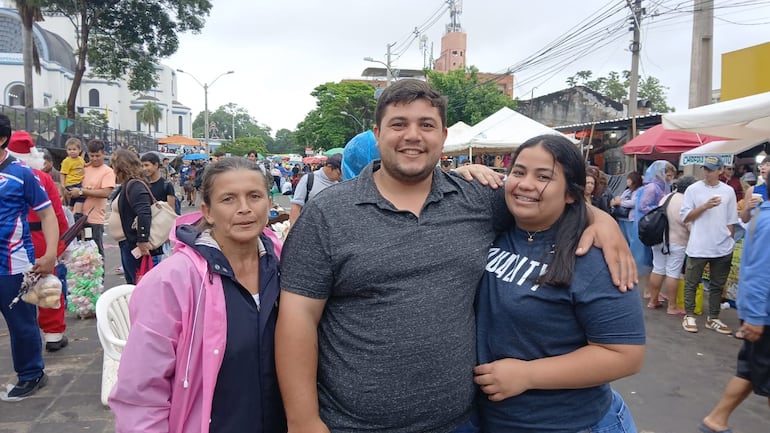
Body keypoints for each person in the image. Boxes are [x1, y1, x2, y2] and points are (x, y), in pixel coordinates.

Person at [275, 79, 636, 433]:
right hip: (353, 423)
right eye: (398, 124)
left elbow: (541, 200)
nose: (413, 135)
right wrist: (303, 420)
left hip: (461, 421)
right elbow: (298, 317)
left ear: (443, 136)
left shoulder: (477, 199)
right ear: (377, 133)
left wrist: (598, 218)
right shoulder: (328, 213)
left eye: (426, 125)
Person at [474, 134, 645, 432]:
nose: (525, 184)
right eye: (518, 172)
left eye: (544, 177)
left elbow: (625, 355)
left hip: (571, 424)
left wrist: (528, 374)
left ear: (570, 193)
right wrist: (464, 172)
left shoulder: (591, 254)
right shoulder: (495, 228)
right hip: (495, 421)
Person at [109, 158, 286, 433]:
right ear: (208, 211)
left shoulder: (285, 268)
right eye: (228, 199)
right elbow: (141, 393)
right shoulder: (172, 282)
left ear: (269, 203)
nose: (245, 208)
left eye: (255, 196)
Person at [699, 197, 770, 433]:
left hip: (758, 312)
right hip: (763, 314)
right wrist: (756, 317)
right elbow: (761, 273)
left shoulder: (762, 213)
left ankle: (716, 420)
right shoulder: (768, 219)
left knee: (749, 370)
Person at [0, 117, 59, 401]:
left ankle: (31, 373)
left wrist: (50, 253)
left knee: (21, 324)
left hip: (13, 264)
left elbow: (48, 213)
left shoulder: (22, 174)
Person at [6, 132, 71, 352]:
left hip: (12, 243)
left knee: (17, 286)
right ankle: (53, 335)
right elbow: (57, 215)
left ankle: (27, 331)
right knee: (47, 284)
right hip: (43, 238)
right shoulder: (41, 178)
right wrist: (60, 243)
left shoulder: (8, 174)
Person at [680, 156, 739, 334]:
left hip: (722, 246)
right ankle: (689, 314)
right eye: (705, 169)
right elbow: (685, 217)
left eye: (711, 169)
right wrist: (704, 206)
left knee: (717, 285)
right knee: (692, 281)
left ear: (720, 170)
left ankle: (713, 317)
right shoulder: (693, 189)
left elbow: (731, 220)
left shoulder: (728, 191)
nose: (707, 172)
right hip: (699, 244)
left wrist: (729, 237)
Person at [645, 176, 696, 315]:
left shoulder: (667, 197)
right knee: (673, 272)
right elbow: (688, 223)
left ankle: (653, 300)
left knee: (658, 269)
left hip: (658, 239)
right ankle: (672, 306)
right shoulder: (685, 202)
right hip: (676, 241)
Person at [110, 149, 162, 284]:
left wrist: (142, 240)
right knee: (134, 281)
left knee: (138, 283)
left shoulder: (135, 185)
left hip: (134, 244)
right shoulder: (128, 185)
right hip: (128, 243)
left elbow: (144, 212)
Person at [631, 160, 675, 296]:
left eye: (671, 175)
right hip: (649, 226)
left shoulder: (661, 186)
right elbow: (643, 206)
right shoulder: (653, 188)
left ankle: (652, 289)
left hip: (654, 225)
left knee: (652, 260)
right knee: (647, 260)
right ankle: (647, 289)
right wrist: (660, 209)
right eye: (668, 175)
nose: (670, 178)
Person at [68, 139, 115, 258]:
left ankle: (99, 277)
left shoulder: (107, 171)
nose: (94, 159)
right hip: (77, 217)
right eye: (92, 155)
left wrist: (81, 191)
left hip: (94, 219)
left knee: (96, 253)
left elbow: (106, 192)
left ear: (103, 153)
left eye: (97, 156)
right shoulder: (83, 168)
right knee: (78, 252)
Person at [288, 153, 343, 226]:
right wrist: (294, 232)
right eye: (339, 173)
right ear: (329, 166)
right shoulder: (309, 179)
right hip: (308, 227)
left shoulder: (339, 184)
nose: (340, 177)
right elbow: (296, 206)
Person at [610, 172, 642, 245]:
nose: (627, 180)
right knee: (622, 239)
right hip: (621, 217)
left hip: (630, 219)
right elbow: (620, 198)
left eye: (629, 179)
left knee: (631, 239)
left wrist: (620, 203)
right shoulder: (627, 191)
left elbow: (634, 203)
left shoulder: (638, 191)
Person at [739, 155, 769, 224]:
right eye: (761, 166)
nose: (763, 168)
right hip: (759, 231)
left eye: (767, 165)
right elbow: (744, 220)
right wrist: (747, 208)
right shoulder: (752, 190)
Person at [61, 137, 87, 213]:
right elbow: (63, 173)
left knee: (73, 200)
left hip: (79, 183)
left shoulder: (80, 159)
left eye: (74, 149)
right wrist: (63, 184)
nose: (72, 151)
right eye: (69, 149)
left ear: (79, 150)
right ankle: (77, 213)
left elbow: (84, 165)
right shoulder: (67, 161)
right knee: (81, 196)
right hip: (71, 183)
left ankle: (71, 212)